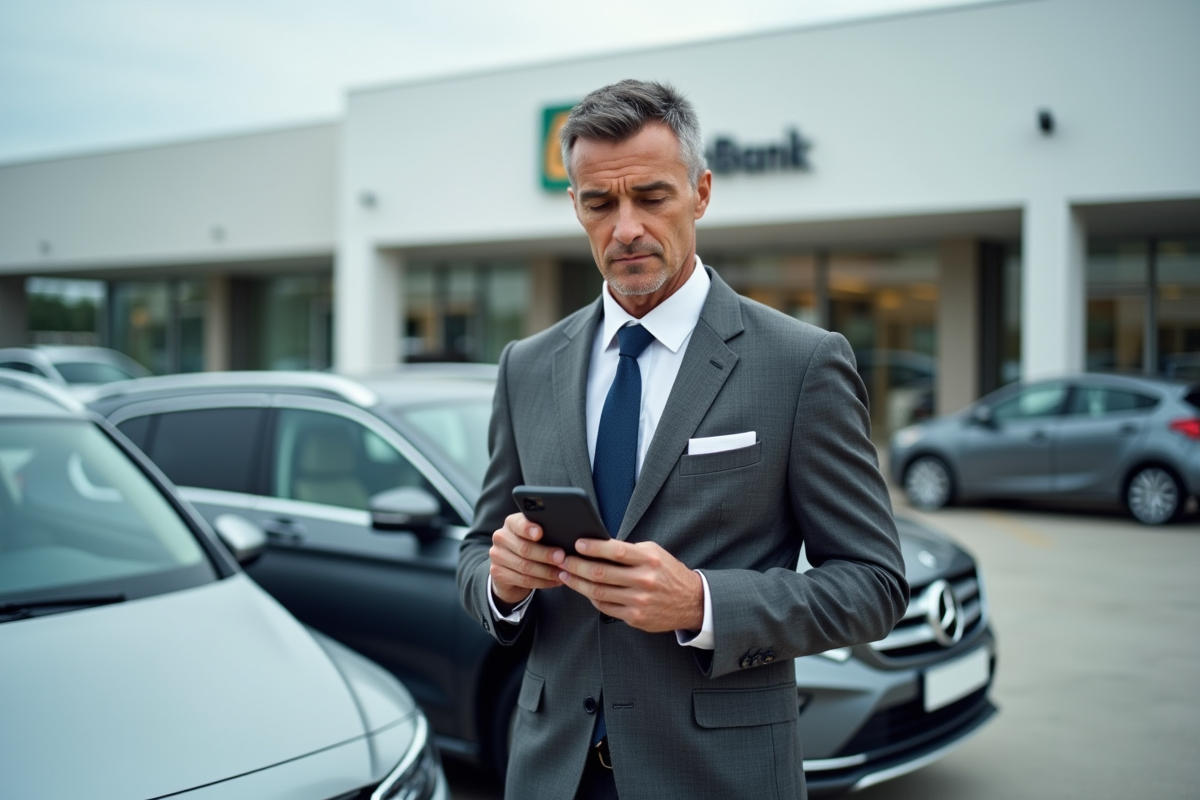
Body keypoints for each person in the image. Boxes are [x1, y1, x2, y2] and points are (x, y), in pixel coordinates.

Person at [457, 79, 908, 800]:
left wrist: (702, 603)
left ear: (700, 192)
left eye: (652, 197)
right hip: (550, 772)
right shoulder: (527, 366)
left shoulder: (800, 363)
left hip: (716, 776)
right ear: (576, 206)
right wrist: (501, 582)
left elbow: (874, 586)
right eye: (600, 203)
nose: (625, 226)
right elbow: (476, 551)